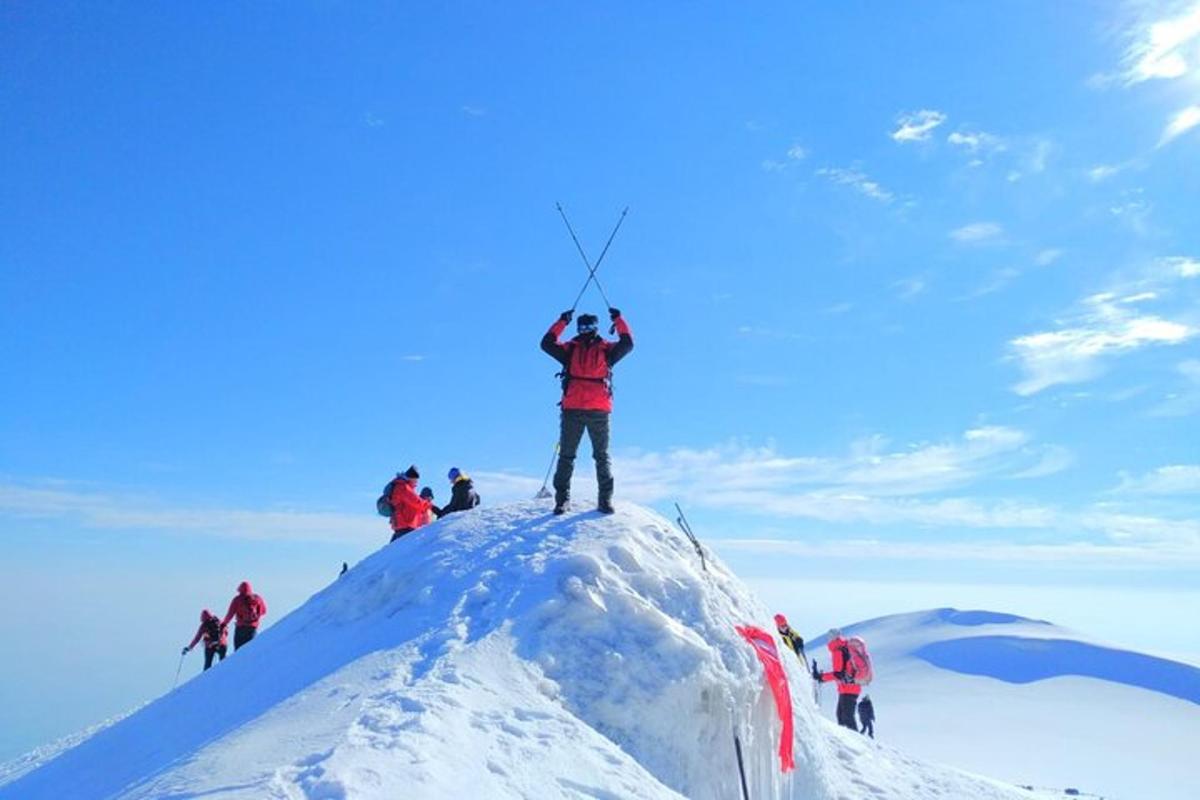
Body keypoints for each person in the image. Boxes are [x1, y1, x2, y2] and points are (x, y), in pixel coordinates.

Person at [540, 308, 634, 515]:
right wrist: (561, 321)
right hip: (577, 409)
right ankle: (563, 501)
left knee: (596, 456)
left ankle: (603, 501)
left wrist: (619, 320)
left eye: (589, 326)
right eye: (582, 326)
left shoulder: (604, 349)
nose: (585, 330)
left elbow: (628, 344)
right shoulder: (571, 349)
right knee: (570, 456)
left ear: (595, 327)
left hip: (593, 410)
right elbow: (546, 344)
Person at [813, 628, 861, 730]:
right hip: (852, 687)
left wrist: (821, 677)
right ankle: (850, 742)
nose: (828, 639)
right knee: (843, 716)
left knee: (846, 718)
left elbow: (838, 674)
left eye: (829, 637)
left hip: (847, 688)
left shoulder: (838, 650)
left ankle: (855, 743)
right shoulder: (845, 647)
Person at [387, 466, 433, 542]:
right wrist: (429, 505)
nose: (417, 482)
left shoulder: (400, 486)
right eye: (416, 480)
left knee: (395, 550)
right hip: (405, 525)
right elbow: (417, 502)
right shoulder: (404, 488)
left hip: (401, 524)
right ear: (412, 478)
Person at [220, 580, 268, 651]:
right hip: (252, 628)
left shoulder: (237, 600)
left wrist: (223, 624)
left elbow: (230, 614)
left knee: (238, 651)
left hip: (240, 628)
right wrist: (255, 617)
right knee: (250, 650)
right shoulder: (257, 598)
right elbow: (264, 611)